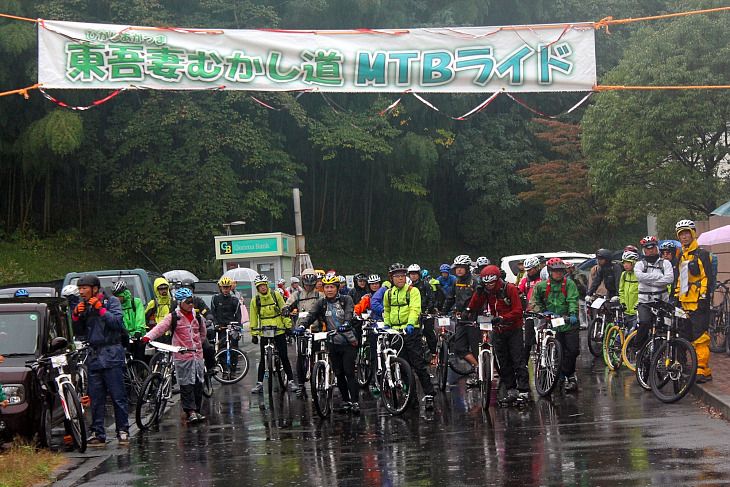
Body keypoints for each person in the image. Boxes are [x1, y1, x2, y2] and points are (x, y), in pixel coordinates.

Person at [71, 274, 127, 446]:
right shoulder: (84, 305)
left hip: (112, 353)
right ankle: (98, 433)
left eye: (84, 288)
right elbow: (79, 332)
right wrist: (76, 316)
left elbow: (117, 323)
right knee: (96, 397)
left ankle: (123, 431)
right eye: (79, 289)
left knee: (118, 396)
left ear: (94, 289)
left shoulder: (111, 302)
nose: (81, 292)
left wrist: (101, 310)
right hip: (94, 355)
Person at [143, 287, 208, 424]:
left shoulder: (198, 317)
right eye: (188, 302)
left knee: (198, 384)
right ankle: (189, 411)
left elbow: (202, 334)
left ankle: (196, 410)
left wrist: (197, 347)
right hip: (182, 357)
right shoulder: (173, 317)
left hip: (197, 356)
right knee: (186, 385)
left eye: (192, 301)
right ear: (180, 303)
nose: (191, 304)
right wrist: (147, 337)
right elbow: (160, 328)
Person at [297, 273, 360, 413]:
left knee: (349, 371)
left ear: (337, 288)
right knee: (338, 372)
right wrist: (301, 326)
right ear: (323, 289)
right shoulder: (322, 302)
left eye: (332, 287)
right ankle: (345, 400)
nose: (329, 290)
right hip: (332, 341)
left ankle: (355, 402)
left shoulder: (346, 299)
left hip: (348, 341)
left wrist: (347, 323)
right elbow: (311, 315)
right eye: (326, 287)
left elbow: (349, 313)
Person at [467, 265, 527, 403]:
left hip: (513, 329)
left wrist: (503, 318)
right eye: (486, 283)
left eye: (491, 283)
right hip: (498, 330)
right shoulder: (486, 291)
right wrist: (478, 292)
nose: (489, 286)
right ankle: (511, 389)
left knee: (518, 360)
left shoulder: (509, 289)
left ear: (497, 280)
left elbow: (518, 310)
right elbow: (474, 306)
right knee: (503, 362)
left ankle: (524, 391)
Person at [383, 263, 435, 410]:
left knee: (418, 364)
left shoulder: (413, 291)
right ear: (391, 278)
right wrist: (387, 324)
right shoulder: (388, 293)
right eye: (396, 276)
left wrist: (411, 323)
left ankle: (429, 393)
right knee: (401, 365)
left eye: (402, 276)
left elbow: (415, 308)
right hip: (395, 333)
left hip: (410, 331)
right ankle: (410, 396)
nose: (400, 279)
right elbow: (386, 310)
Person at [529, 258, 580, 392]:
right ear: (550, 272)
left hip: (568, 321)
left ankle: (570, 374)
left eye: (561, 271)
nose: (558, 274)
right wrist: (541, 312)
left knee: (573, 351)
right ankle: (561, 375)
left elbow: (572, 299)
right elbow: (534, 301)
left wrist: (573, 314)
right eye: (555, 271)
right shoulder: (541, 286)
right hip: (552, 322)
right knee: (558, 350)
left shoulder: (569, 284)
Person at [675, 220, 713, 383]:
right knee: (684, 335)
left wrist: (704, 297)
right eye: (681, 234)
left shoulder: (702, 254)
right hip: (684, 303)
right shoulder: (681, 255)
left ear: (692, 233)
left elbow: (707, 278)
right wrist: (676, 297)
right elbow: (680, 280)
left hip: (698, 302)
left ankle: (702, 370)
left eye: (686, 233)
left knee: (700, 337)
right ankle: (685, 365)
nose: (684, 237)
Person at [249, 274, 297, 393]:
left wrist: (288, 326)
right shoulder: (255, 300)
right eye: (260, 286)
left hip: (278, 329)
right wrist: (254, 333)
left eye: (264, 285)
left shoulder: (276, 295)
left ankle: (291, 381)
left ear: (267, 285)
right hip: (264, 331)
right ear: (257, 288)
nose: (263, 288)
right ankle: (259, 383)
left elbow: (283, 311)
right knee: (262, 358)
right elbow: (254, 317)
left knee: (284, 356)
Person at [284, 269, 323, 395]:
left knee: (319, 355)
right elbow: (288, 303)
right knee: (301, 357)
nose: (309, 287)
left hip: (316, 329)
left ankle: (321, 379)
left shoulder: (319, 295)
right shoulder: (297, 295)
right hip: (301, 330)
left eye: (311, 285)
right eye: (307, 284)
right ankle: (301, 384)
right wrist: (286, 308)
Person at [443, 255, 479, 375]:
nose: (458, 270)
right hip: (461, 320)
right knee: (459, 347)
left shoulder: (474, 281)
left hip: (474, 319)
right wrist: (443, 312)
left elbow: (479, 299)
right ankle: (477, 366)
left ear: (467, 268)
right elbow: (450, 298)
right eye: (457, 268)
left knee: (475, 348)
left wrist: (470, 311)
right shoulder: (456, 282)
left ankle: (482, 373)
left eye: (461, 267)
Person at [112, 280, 147, 362]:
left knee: (139, 358)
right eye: (115, 296)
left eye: (119, 296)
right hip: (124, 336)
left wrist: (139, 330)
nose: (117, 299)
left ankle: (139, 373)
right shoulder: (116, 306)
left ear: (124, 294)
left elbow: (140, 317)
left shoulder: (135, 302)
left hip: (137, 335)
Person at [518, 256, 542, 365]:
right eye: (527, 270)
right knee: (527, 341)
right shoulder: (525, 280)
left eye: (531, 269)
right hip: (529, 313)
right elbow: (518, 292)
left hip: (542, 312)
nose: (529, 272)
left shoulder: (543, 279)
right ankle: (524, 364)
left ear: (537, 268)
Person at [408, 264, 436, 357]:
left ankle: (433, 353)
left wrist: (427, 310)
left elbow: (431, 299)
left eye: (415, 274)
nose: (413, 276)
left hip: (425, 312)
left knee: (429, 332)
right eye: (411, 274)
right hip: (414, 313)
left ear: (419, 274)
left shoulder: (425, 284)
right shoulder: (408, 286)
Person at [618, 251, 640, 329]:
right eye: (624, 263)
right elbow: (621, 290)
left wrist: (638, 304)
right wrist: (622, 302)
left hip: (636, 311)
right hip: (626, 311)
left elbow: (642, 292)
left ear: (634, 263)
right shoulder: (624, 275)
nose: (625, 265)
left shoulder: (639, 275)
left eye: (628, 263)